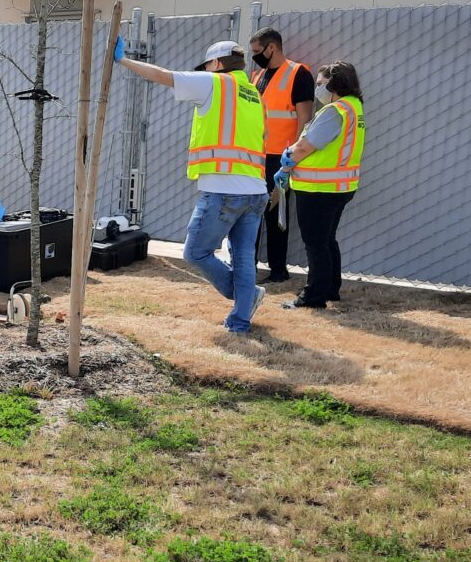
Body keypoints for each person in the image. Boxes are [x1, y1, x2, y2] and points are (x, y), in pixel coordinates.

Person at [116, 38, 268, 334]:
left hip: (224, 190)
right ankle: (240, 320)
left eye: (207, 65)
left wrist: (124, 61)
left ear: (217, 64)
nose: (206, 69)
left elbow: (163, 76)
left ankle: (243, 298)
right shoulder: (253, 93)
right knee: (244, 258)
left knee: (195, 253)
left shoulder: (215, 83)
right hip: (255, 190)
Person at [275, 61, 365, 310]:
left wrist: (286, 162)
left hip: (318, 189)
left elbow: (306, 146)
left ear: (335, 84)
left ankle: (313, 296)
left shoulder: (334, 111)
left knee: (315, 243)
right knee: (326, 240)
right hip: (339, 187)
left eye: (321, 83)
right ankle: (329, 289)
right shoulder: (354, 108)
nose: (318, 89)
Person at [249, 28, 315, 283]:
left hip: (282, 157)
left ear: (271, 47)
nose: (255, 57)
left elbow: (304, 118)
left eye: (257, 52)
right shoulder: (258, 77)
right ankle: (248, 264)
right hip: (258, 155)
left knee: (276, 213)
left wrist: (294, 157)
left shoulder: (298, 74)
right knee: (252, 210)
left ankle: (278, 270)